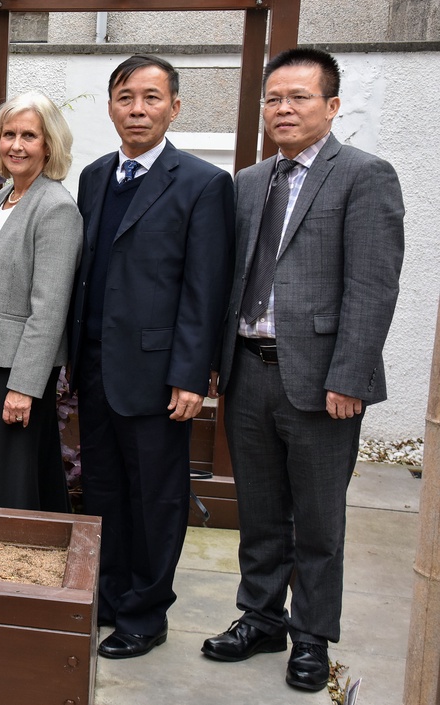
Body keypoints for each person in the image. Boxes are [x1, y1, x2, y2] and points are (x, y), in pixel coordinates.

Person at [201, 48, 404, 692]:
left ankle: (312, 634)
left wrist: (349, 374)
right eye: (273, 99)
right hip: (249, 370)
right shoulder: (249, 181)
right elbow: (233, 278)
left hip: (322, 380)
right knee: (259, 510)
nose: (283, 110)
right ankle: (259, 616)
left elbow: (373, 287)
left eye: (299, 98)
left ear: (332, 105)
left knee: (318, 518)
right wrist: (214, 363)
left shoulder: (366, 176)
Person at [67, 54, 235, 658]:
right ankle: (109, 598)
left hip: (160, 373)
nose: (137, 109)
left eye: (151, 98)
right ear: (110, 105)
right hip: (95, 366)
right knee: (105, 489)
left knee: (156, 495)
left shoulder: (202, 183)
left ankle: (146, 612)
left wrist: (193, 373)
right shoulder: (92, 177)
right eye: (125, 97)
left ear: (175, 107)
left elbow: (205, 286)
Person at [0, 92, 82, 513]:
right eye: (8, 134)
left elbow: (49, 309)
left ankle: (2, 569)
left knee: (3, 481)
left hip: (16, 371)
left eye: (29, 135)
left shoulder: (56, 208)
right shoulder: (8, 195)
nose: (16, 145)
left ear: (49, 144)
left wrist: (24, 387)